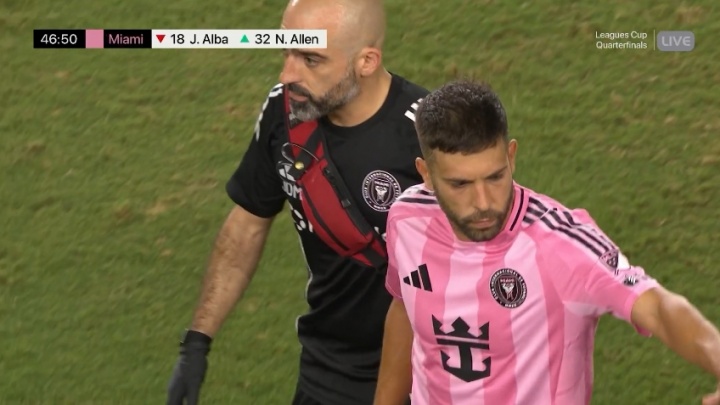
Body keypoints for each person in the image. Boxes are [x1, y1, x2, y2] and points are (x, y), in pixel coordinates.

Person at [373, 79, 720, 405]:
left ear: (511, 157)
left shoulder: (560, 245)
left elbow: (658, 307)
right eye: (460, 184)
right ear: (427, 175)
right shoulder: (407, 219)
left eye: (495, 177)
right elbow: (405, 306)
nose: (483, 202)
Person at [165, 0, 428, 404]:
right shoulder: (284, 112)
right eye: (286, 52)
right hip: (326, 374)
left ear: (367, 61)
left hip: (424, 377)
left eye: (311, 59)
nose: (287, 74)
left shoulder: (429, 132)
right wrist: (197, 340)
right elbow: (248, 224)